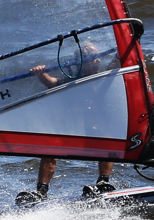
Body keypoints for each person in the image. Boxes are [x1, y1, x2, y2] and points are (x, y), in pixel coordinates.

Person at [14, 43, 118, 204]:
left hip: (96, 129)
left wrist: (130, 41)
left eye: (99, 57)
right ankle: (41, 192)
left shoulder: (106, 75)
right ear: (81, 62)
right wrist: (41, 74)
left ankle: (103, 182)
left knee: (108, 138)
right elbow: (52, 83)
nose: (98, 61)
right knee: (50, 147)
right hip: (73, 128)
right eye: (93, 58)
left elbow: (119, 59)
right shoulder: (73, 80)